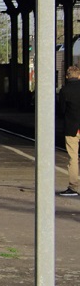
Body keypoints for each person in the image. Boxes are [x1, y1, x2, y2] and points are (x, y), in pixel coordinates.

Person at [61, 65, 80, 198]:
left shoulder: (65, 90)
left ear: (67, 76)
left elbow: (61, 110)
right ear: (79, 76)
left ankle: (73, 186)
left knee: (73, 157)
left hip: (71, 127)